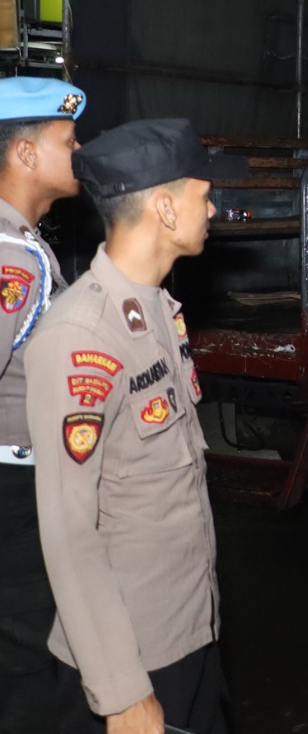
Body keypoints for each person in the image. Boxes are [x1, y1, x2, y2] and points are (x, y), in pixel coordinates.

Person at [26, 118, 243, 733]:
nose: (213, 209)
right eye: (204, 195)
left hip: (188, 630)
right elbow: (69, 529)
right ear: (165, 209)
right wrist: (120, 691)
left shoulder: (157, 309)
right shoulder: (82, 336)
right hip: (132, 659)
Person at [0, 78, 85, 733]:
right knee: (35, 662)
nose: (79, 150)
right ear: (26, 154)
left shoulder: (24, 243)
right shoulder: (14, 259)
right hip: (13, 490)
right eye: (68, 140)